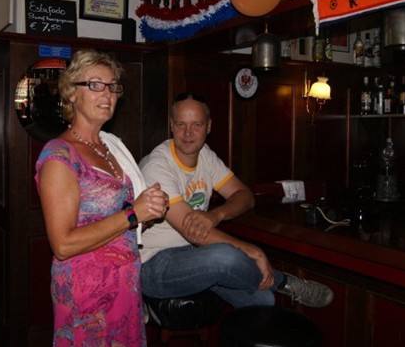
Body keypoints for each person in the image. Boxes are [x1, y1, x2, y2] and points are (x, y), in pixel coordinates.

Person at [139, 91, 334, 309]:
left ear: (209, 126)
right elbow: (192, 230)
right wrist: (253, 251)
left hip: (194, 254)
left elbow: (244, 195)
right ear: (171, 126)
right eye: (180, 124)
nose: (187, 133)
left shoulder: (205, 156)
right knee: (225, 257)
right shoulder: (156, 166)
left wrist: (216, 215)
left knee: (263, 300)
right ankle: (283, 282)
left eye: (197, 125)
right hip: (154, 263)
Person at [35, 49, 170, 347]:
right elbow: (63, 245)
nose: (107, 94)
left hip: (125, 285)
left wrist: (147, 212)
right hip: (87, 293)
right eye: (95, 85)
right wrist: (133, 214)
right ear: (72, 93)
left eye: (112, 86)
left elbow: (121, 223)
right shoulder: (59, 155)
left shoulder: (110, 147)